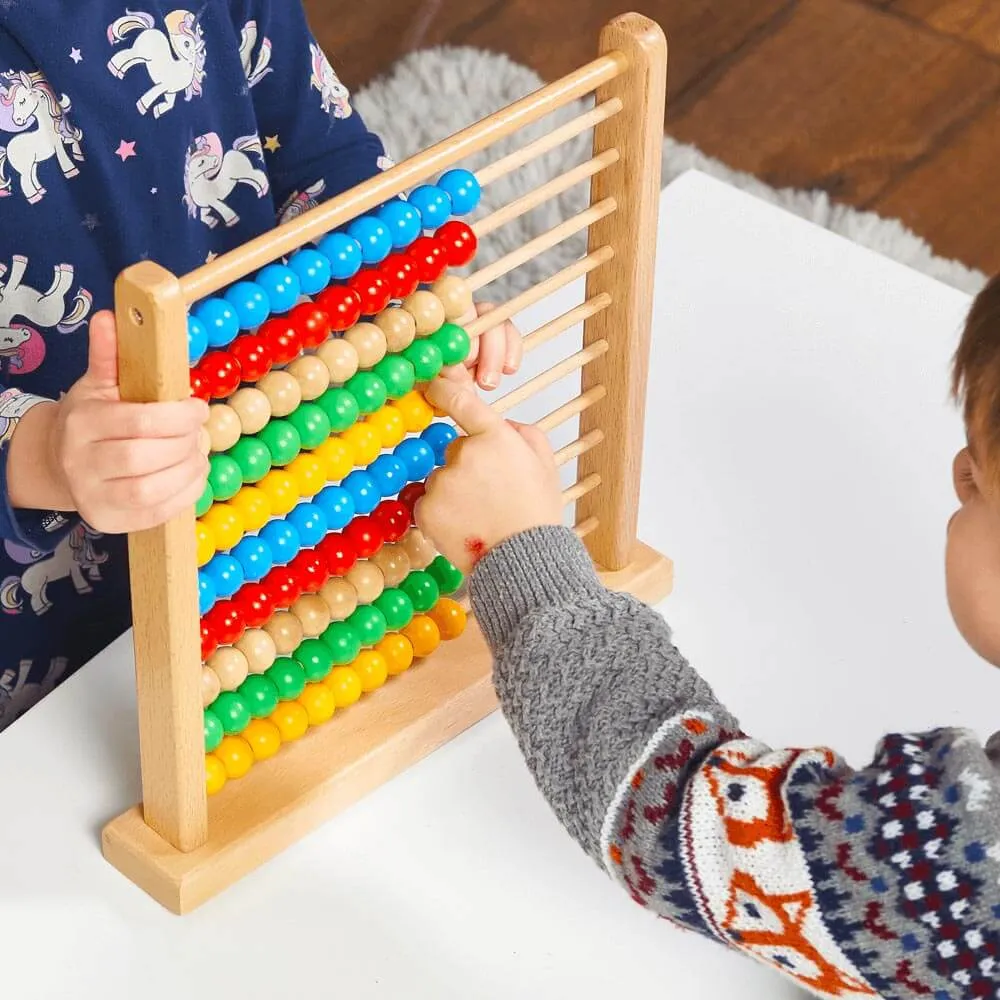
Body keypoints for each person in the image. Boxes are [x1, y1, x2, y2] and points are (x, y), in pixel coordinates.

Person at [414, 282, 1000, 999]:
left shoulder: (961, 855)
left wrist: (516, 552)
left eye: (978, 483)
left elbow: (678, 818)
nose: (956, 476)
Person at [0, 1, 518, 729]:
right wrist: (46, 456)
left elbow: (326, 166)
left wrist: (418, 295)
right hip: (50, 665)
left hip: (265, 529)